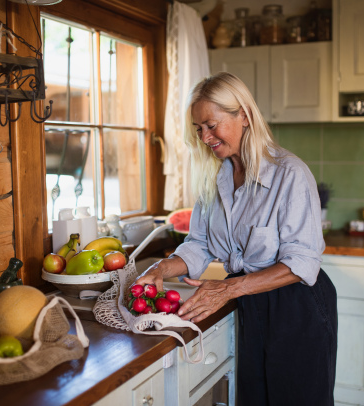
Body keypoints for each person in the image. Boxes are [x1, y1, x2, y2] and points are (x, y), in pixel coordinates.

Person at [135, 72, 337, 405]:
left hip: (298, 309)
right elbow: (200, 245)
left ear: (243, 115)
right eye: (198, 129)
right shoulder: (215, 178)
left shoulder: (290, 174)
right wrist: (161, 269)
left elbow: (302, 263)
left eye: (211, 125)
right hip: (250, 302)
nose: (205, 136)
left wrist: (228, 288)